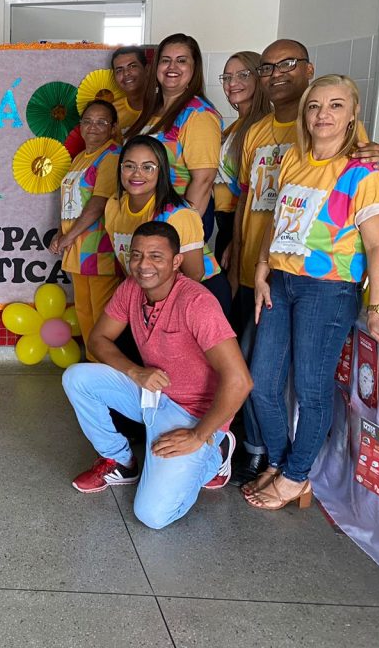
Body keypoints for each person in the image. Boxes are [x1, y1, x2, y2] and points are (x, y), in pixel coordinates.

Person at [232, 39, 379, 484]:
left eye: (336, 105)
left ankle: (295, 475)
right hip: (279, 283)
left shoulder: (366, 170)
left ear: (353, 115)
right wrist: (261, 271)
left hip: (328, 289)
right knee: (262, 383)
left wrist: (378, 310)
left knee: (310, 388)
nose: (323, 114)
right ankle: (280, 462)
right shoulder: (293, 160)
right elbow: (276, 220)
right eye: (315, 107)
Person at [62, 221, 252, 529]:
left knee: (152, 516)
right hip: (153, 396)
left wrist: (198, 435)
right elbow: (98, 339)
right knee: (77, 378)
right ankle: (121, 462)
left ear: (176, 262)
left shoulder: (197, 303)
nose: (143, 265)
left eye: (155, 256)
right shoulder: (131, 288)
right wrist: (135, 372)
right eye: (136, 255)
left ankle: (215, 451)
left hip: (193, 415)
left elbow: (240, 381)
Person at [105, 135, 231, 315]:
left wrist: (163, 312)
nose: (137, 174)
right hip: (151, 292)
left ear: (161, 171)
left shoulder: (178, 214)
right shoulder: (114, 205)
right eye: (129, 166)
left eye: (147, 167)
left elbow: (195, 274)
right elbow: (127, 260)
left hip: (199, 292)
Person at [125, 33, 222, 240]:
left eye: (181, 61)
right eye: (165, 60)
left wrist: (179, 231)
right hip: (146, 217)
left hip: (174, 221)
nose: (172, 67)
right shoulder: (152, 110)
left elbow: (203, 181)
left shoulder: (199, 115)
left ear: (194, 68)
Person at [49, 99, 122, 357]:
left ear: (113, 127)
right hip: (78, 251)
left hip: (100, 249)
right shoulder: (81, 157)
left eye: (102, 122)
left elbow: (98, 203)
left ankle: (105, 371)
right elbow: (70, 202)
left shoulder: (112, 155)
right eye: (88, 121)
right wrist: (61, 233)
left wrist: (69, 236)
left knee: (102, 318)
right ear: (80, 126)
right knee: (84, 314)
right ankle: (92, 368)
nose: (93, 127)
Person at [214, 52, 270, 268]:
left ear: (259, 77)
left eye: (243, 75)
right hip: (226, 223)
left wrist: (236, 243)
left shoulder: (264, 127)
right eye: (227, 77)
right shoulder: (235, 127)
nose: (232, 83)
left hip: (243, 225)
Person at [111, 46, 148, 133]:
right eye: (119, 70)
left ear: (147, 70)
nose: (126, 73)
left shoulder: (165, 106)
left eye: (132, 66)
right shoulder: (112, 112)